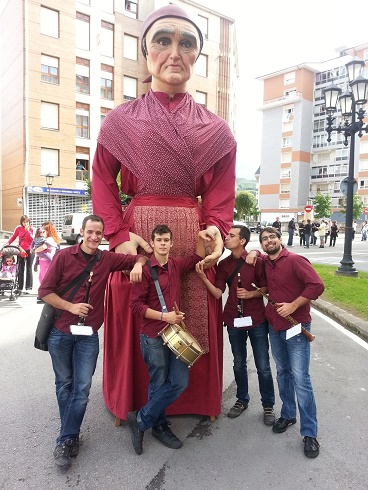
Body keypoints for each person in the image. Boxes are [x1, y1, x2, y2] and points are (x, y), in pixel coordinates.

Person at [92, 4, 237, 421]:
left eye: (186, 43)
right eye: (163, 40)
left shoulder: (217, 129)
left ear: (196, 56)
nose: (175, 52)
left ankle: (190, 400)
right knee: (142, 312)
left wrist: (213, 227)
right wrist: (117, 234)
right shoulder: (119, 121)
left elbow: (221, 195)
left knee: (191, 314)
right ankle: (135, 400)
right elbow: (102, 179)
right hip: (137, 236)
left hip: (190, 237)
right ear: (145, 51)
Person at [38, 214, 150, 469]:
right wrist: (71, 306)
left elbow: (142, 256)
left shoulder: (106, 258)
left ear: (103, 236)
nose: (94, 237)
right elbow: (45, 292)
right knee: (64, 384)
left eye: (98, 233)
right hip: (60, 331)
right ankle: (70, 436)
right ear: (81, 231)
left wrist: (137, 265)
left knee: (82, 388)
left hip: (87, 336)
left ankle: (66, 437)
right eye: (90, 232)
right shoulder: (64, 257)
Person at [128, 224, 220, 455]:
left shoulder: (176, 265)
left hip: (175, 334)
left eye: (166, 240)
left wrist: (200, 236)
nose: (162, 243)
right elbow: (135, 306)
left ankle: (140, 419)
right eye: (158, 239)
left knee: (179, 382)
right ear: (153, 242)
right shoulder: (145, 270)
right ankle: (158, 425)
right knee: (158, 382)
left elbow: (198, 256)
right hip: (152, 334)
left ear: (171, 243)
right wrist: (164, 316)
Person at [247, 227, 324, 458]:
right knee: (282, 372)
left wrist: (294, 304)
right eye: (264, 239)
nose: (268, 241)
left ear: (280, 240)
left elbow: (317, 286)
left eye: (272, 237)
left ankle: (310, 433)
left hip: (297, 326)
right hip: (275, 327)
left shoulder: (295, 260)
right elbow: (252, 254)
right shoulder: (265, 262)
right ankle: (288, 414)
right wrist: (252, 250)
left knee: (301, 378)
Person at [196, 225, 275, 425]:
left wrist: (250, 294)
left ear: (242, 241)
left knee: (263, 366)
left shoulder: (256, 260)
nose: (226, 238)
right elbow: (217, 293)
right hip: (233, 318)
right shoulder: (223, 265)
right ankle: (242, 399)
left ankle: (268, 405)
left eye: (231, 236)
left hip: (256, 319)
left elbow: (266, 290)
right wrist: (204, 278)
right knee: (238, 363)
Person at [6, 215, 34, 293]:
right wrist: (7, 243)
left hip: (30, 250)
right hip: (21, 250)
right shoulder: (18, 228)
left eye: (27, 222)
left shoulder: (32, 229)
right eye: (23, 222)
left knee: (29, 268)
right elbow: (13, 237)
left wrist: (28, 231)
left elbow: (33, 240)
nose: (25, 224)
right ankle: (19, 287)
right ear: (21, 222)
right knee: (20, 268)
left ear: (29, 222)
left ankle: (29, 287)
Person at [34, 221, 60, 288]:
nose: (42, 232)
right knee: (41, 277)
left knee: (43, 278)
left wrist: (35, 251)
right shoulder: (51, 239)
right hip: (45, 260)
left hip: (45, 261)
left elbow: (44, 247)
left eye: (44, 231)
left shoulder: (49, 239)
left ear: (48, 231)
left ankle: (45, 293)